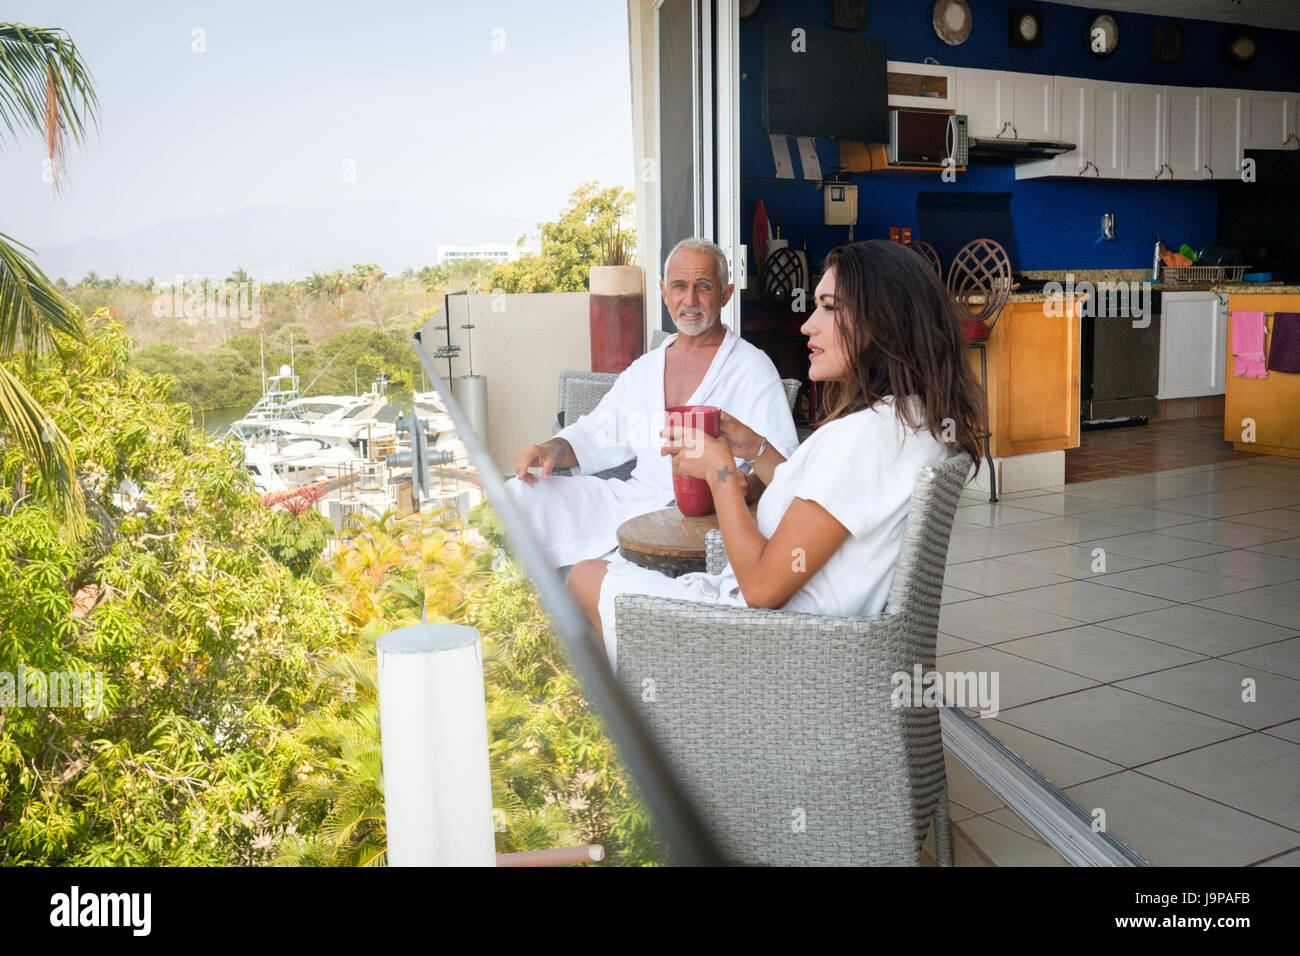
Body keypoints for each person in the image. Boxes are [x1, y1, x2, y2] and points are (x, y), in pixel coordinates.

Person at [568, 239, 987, 671]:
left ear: (881, 323)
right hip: (809, 632)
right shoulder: (911, 422)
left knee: (584, 578)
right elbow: (823, 501)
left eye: (828, 307)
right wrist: (754, 446)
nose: (808, 325)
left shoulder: (862, 439)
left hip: (771, 649)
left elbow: (762, 589)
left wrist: (721, 473)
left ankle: (658, 721)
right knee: (595, 574)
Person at [504, 238, 799, 571]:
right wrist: (550, 449)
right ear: (663, 291)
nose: (690, 300)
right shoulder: (646, 368)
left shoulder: (752, 367)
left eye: (703, 287)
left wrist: (747, 489)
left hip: (708, 514)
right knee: (518, 497)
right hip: (632, 499)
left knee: (604, 572)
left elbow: (783, 459)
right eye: (679, 286)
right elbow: (596, 432)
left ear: (726, 294)